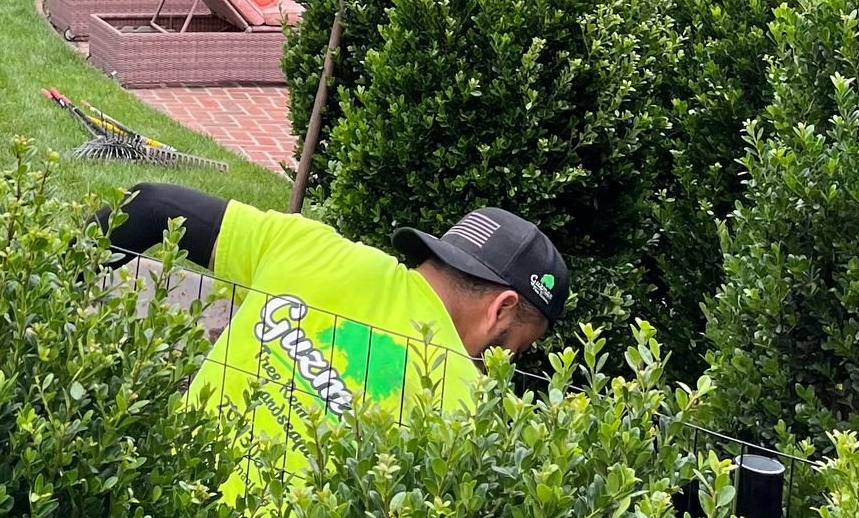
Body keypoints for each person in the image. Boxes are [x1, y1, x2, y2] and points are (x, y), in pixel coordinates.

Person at [106, 184, 567, 467]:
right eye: (515, 350)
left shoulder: (311, 248)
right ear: (503, 308)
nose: (501, 366)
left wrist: (53, 278)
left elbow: (150, 206)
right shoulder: (472, 419)